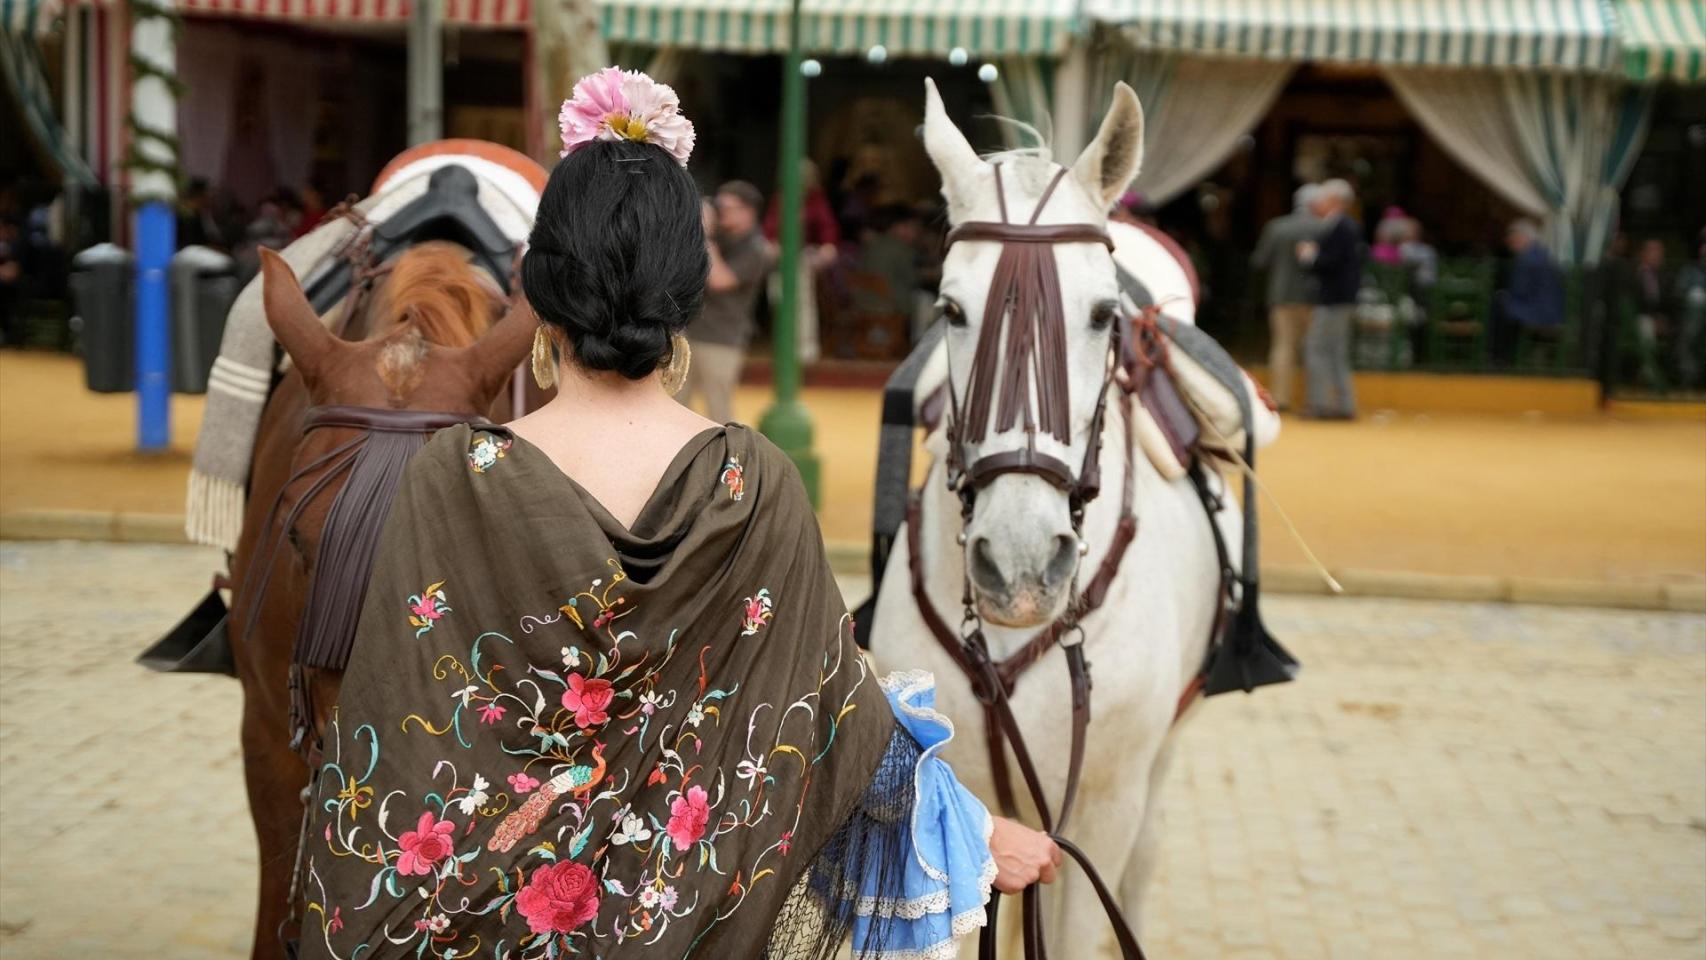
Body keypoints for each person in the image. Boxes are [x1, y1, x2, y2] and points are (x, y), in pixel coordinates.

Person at [296, 68, 1051, 960]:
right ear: (688, 296)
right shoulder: (754, 481)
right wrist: (970, 829)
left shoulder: (453, 477)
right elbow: (834, 709)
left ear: (537, 288)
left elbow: (393, 729)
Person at [678, 180, 770, 424]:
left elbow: (720, 280)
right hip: (691, 332)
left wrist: (706, 235)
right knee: (676, 405)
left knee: (718, 412)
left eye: (727, 208)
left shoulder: (756, 248)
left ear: (748, 211)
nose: (720, 213)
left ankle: (725, 451)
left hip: (722, 339)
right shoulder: (720, 238)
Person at [1250, 183, 1320, 410]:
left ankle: (1281, 398)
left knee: (1283, 347)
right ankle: (1313, 399)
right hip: (1314, 297)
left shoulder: (1277, 227)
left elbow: (1260, 260)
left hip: (1281, 295)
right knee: (1312, 349)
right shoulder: (1323, 228)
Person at [762, 160, 839, 363]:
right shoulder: (780, 199)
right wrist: (772, 244)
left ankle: (806, 348)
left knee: (803, 300)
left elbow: (827, 227)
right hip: (780, 259)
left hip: (803, 256)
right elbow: (769, 227)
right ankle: (784, 345)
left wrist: (827, 246)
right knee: (777, 298)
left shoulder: (816, 200)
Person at [1299, 178, 1361, 419]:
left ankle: (1320, 403)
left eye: (1322, 198)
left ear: (1334, 200)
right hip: (1341, 298)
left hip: (1334, 299)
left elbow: (1333, 263)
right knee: (1335, 351)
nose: (1318, 203)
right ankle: (1344, 404)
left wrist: (1310, 256)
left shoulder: (1341, 226)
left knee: (1317, 348)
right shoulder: (1344, 225)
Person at [1493, 219, 1564, 366]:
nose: (1510, 245)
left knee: (1499, 306)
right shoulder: (1542, 254)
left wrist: (1503, 294)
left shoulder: (1527, 258)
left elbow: (1519, 290)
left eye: (1513, 240)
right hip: (1551, 310)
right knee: (1504, 306)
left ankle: (1499, 357)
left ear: (1522, 238)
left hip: (1537, 310)